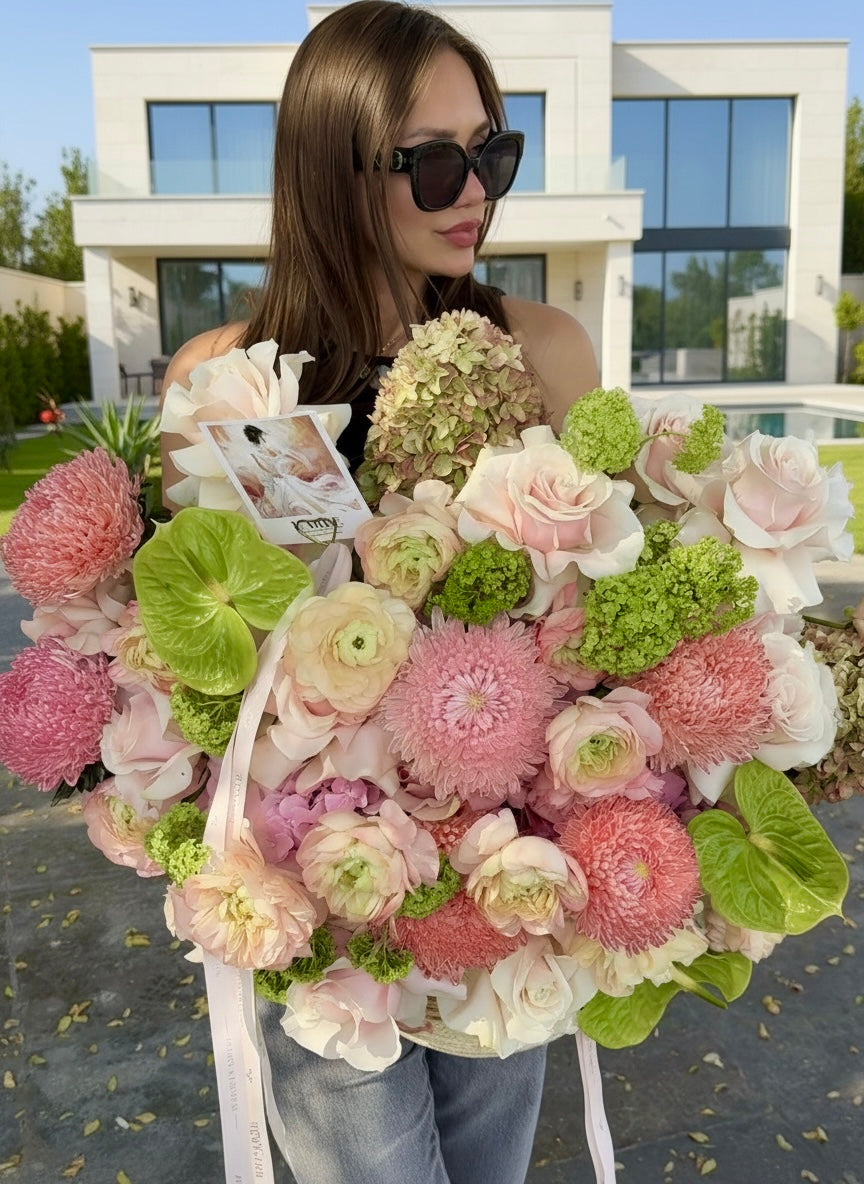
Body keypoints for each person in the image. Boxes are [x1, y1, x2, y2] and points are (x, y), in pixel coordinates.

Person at [159, 3, 600, 1182]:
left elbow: (595, 625)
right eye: (435, 161)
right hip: (322, 897)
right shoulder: (230, 385)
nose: (477, 190)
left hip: (495, 874)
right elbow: (197, 662)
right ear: (332, 166)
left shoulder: (545, 349)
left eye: (493, 149)